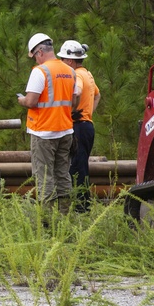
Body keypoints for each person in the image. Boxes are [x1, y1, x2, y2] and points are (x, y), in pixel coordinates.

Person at [17, 33, 80, 213]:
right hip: (65, 131)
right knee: (62, 174)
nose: (35, 60)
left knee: (44, 177)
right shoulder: (70, 71)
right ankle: (65, 216)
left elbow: (31, 101)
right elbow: (75, 102)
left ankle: (49, 220)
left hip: (43, 132)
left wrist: (21, 100)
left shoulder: (40, 71)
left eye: (34, 56)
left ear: (40, 52)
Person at [58, 40, 100, 205]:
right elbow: (97, 95)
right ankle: (83, 205)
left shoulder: (77, 75)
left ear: (70, 61)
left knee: (76, 169)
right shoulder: (88, 74)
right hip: (87, 125)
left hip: (78, 127)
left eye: (62, 59)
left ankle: (81, 207)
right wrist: (88, 113)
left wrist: (72, 110)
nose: (61, 62)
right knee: (81, 167)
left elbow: (77, 91)